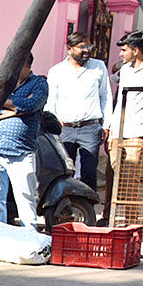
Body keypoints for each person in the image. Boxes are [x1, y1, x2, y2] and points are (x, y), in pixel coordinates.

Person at [106, 29, 143, 223]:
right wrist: (112, 130)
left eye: (124, 50)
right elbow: (118, 102)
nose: (121, 54)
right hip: (119, 131)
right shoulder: (125, 70)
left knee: (131, 178)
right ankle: (110, 216)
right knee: (114, 175)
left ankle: (131, 221)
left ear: (136, 50)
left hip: (138, 131)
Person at [0, 52, 48, 229]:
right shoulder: (4, 83)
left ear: (25, 65)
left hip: (21, 151)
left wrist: (6, 104)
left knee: (25, 197)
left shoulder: (39, 83)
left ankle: (30, 236)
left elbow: (32, 104)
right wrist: (17, 108)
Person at [47, 32, 111, 193]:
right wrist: (53, 124)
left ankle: (88, 207)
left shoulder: (99, 67)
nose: (87, 50)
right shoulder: (57, 71)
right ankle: (66, 207)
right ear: (69, 49)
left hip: (90, 128)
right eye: (82, 47)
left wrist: (106, 125)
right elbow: (50, 101)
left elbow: (105, 96)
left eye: (88, 46)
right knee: (64, 170)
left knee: (89, 171)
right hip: (64, 129)